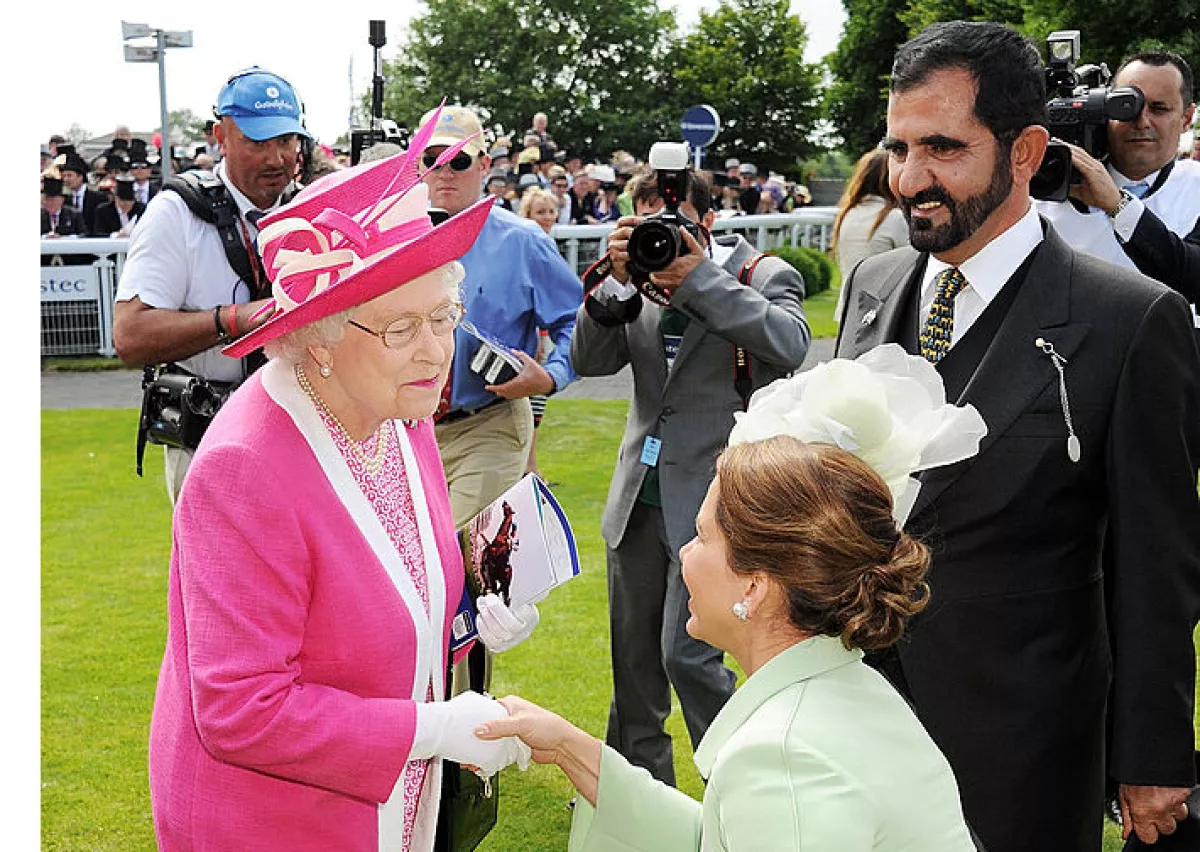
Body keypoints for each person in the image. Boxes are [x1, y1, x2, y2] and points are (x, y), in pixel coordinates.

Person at [836, 21, 1200, 851]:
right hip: (851, 723)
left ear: (1028, 151)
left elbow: (1159, 561)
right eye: (898, 147)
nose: (910, 178)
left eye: (943, 148)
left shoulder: (1132, 320)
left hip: (1023, 749)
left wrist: (1150, 753)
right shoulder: (873, 283)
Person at [148, 120, 538, 852]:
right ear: (317, 339)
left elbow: (388, 586)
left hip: (386, 811)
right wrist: (432, 728)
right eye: (401, 328)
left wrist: (468, 617)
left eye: (443, 316)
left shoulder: (400, 410)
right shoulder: (245, 469)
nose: (434, 349)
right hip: (276, 824)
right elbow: (242, 710)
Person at [479, 350, 988, 850]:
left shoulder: (783, 758)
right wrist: (572, 749)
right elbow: (716, 836)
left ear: (755, 587)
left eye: (702, 537)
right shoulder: (845, 688)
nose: (682, 553)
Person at [573, 162, 810, 786]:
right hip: (639, 498)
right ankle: (643, 802)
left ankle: (738, 784)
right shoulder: (637, 280)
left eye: (671, 224)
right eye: (644, 224)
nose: (660, 238)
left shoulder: (761, 274)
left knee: (692, 657)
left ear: (706, 219)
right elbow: (588, 361)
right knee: (634, 666)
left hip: (719, 503)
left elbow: (788, 344)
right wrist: (615, 283)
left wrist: (697, 278)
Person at [114, 67, 311, 502]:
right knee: (219, 570)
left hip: (304, 435)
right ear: (220, 137)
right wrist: (235, 320)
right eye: (258, 142)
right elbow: (130, 336)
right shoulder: (175, 213)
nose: (277, 159)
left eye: (286, 140)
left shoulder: (312, 207)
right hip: (209, 437)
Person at [416, 104, 582, 530]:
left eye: (458, 160)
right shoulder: (390, 243)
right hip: (408, 429)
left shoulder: (524, 242)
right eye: (431, 160)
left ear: (485, 165)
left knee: (452, 560)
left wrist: (550, 377)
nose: (444, 172)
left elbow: (574, 322)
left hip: (487, 422)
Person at [1037, 51, 1199, 320]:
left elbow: (1190, 277)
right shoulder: (1047, 186)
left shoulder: (1195, 187)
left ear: (1187, 118)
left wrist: (1117, 206)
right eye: (1126, 106)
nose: (1141, 121)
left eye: (1159, 109)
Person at [832, 148, 911, 322]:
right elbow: (912, 268)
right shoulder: (895, 218)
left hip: (847, 309)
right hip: (882, 315)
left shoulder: (847, 215)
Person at [517, 186, 562, 477]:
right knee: (527, 404)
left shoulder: (549, 244)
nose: (546, 217)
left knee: (536, 405)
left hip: (544, 337)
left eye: (550, 211)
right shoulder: (527, 245)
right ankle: (528, 467)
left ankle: (530, 466)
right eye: (540, 212)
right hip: (532, 337)